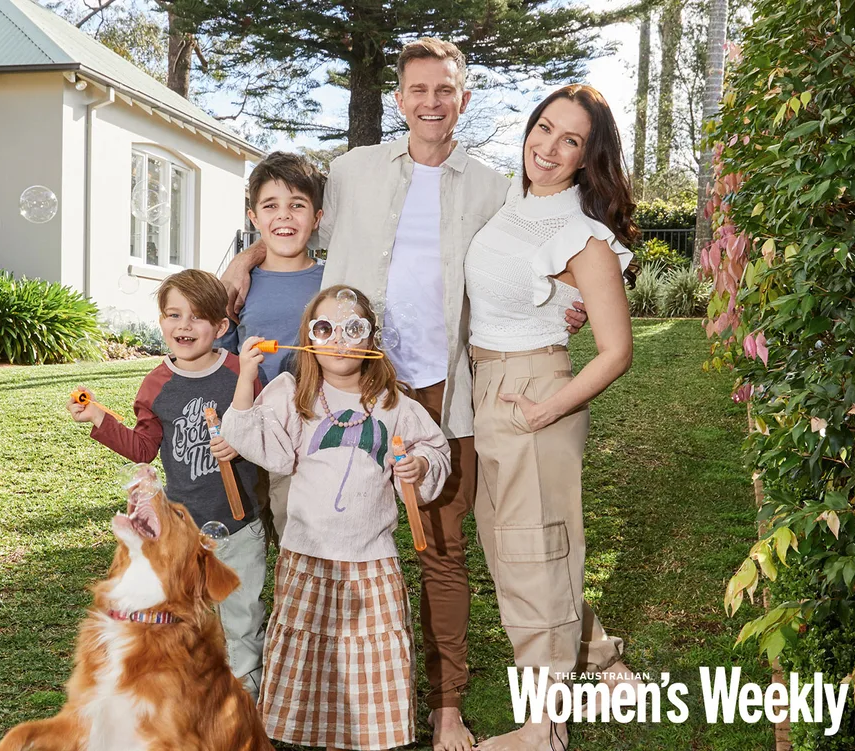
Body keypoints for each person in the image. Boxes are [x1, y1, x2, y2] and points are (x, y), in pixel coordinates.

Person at [220, 38, 588, 750]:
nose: (431, 102)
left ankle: (446, 706)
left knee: (441, 551)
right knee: (316, 538)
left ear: (464, 98)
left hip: (446, 390)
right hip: (349, 381)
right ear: (398, 99)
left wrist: (566, 299)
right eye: (418, 89)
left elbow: (532, 256)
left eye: (444, 89)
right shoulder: (351, 172)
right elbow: (292, 218)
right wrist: (246, 256)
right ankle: (314, 695)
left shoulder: (493, 188)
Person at [464, 84, 640, 750]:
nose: (548, 146)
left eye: (570, 140)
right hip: (490, 384)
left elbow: (617, 351)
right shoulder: (516, 201)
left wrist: (546, 409)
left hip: (532, 392)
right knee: (518, 553)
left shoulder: (579, 234)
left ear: (587, 157)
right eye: (544, 127)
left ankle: (543, 727)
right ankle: (607, 667)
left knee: (533, 555)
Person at [220, 284, 452, 750]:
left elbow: (435, 449)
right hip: (308, 555)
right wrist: (246, 376)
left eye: (353, 328)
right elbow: (255, 441)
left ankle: (361, 737)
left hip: (371, 559)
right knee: (312, 655)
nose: (339, 340)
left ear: (371, 339)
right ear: (309, 338)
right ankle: (317, 734)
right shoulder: (292, 394)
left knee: (370, 656)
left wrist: (420, 465)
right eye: (325, 328)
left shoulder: (395, 404)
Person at [67, 269, 267, 699]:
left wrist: (242, 444)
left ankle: (244, 701)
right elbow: (143, 448)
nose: (183, 325)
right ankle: (189, 696)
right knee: (183, 615)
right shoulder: (157, 385)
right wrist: (99, 417)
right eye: (174, 315)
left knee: (243, 616)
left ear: (220, 326)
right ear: (161, 322)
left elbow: (267, 435)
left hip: (239, 522)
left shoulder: (241, 372)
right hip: (181, 531)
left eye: (197, 317)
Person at [217, 151, 326, 383]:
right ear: (254, 218)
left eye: (297, 205)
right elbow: (220, 361)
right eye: (270, 206)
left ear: (316, 219)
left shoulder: (332, 281)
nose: (284, 215)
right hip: (252, 403)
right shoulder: (238, 286)